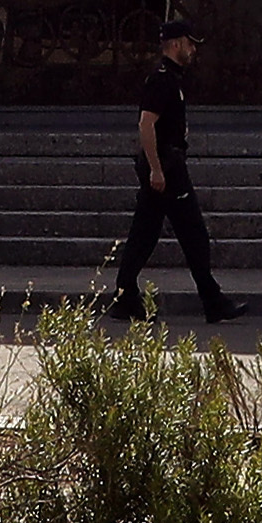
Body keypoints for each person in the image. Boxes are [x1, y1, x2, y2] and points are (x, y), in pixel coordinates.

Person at [105, 18, 248, 323]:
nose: (193, 49)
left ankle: (125, 296)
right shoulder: (162, 79)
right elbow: (146, 125)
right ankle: (212, 301)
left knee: (144, 234)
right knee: (194, 235)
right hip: (167, 169)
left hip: (165, 167)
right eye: (189, 43)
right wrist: (157, 170)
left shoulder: (171, 78)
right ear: (175, 44)